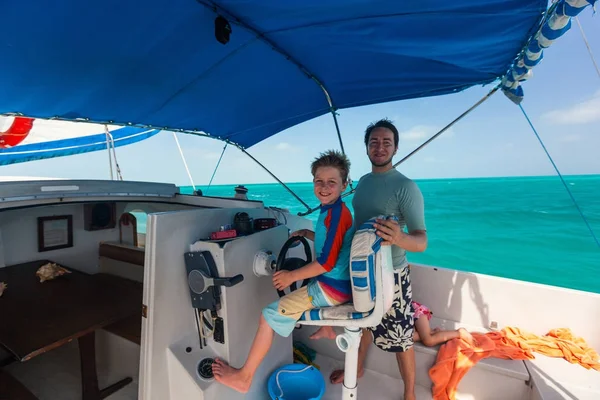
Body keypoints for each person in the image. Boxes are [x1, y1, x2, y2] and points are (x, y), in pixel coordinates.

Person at [212, 149, 355, 393]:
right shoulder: (335, 210)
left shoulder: (336, 215)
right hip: (341, 285)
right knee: (298, 290)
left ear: (344, 184)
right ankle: (328, 327)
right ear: (313, 182)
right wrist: (309, 235)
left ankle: (244, 378)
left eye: (332, 182)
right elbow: (334, 244)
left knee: (268, 315)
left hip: (330, 289)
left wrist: (291, 276)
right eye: (319, 181)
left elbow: (326, 264)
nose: (324, 187)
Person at [312, 118, 427, 400]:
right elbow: (351, 223)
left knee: (401, 338)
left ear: (396, 148)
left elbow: (421, 241)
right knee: (361, 321)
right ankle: (358, 369)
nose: (380, 146)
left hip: (392, 273)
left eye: (386, 141)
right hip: (360, 267)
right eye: (374, 141)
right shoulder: (362, 183)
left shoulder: (406, 187)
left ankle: (410, 392)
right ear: (366, 148)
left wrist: (398, 237)